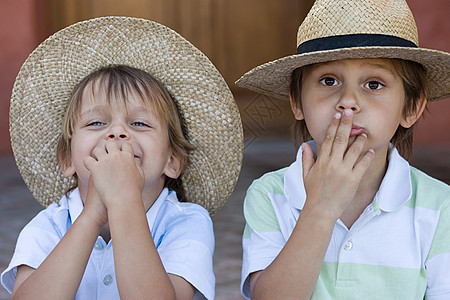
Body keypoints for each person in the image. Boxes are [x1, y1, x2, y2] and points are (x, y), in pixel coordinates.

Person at [1, 17, 243, 299]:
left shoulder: (185, 222)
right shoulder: (50, 225)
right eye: (96, 124)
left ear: (172, 161)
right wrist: (92, 216)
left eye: (139, 124)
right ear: (67, 159)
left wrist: (123, 202)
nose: (116, 133)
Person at [236, 0, 450, 299]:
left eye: (374, 84)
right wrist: (320, 210)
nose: (348, 101)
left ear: (411, 107)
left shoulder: (439, 207)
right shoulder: (271, 194)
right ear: (297, 102)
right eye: (328, 80)